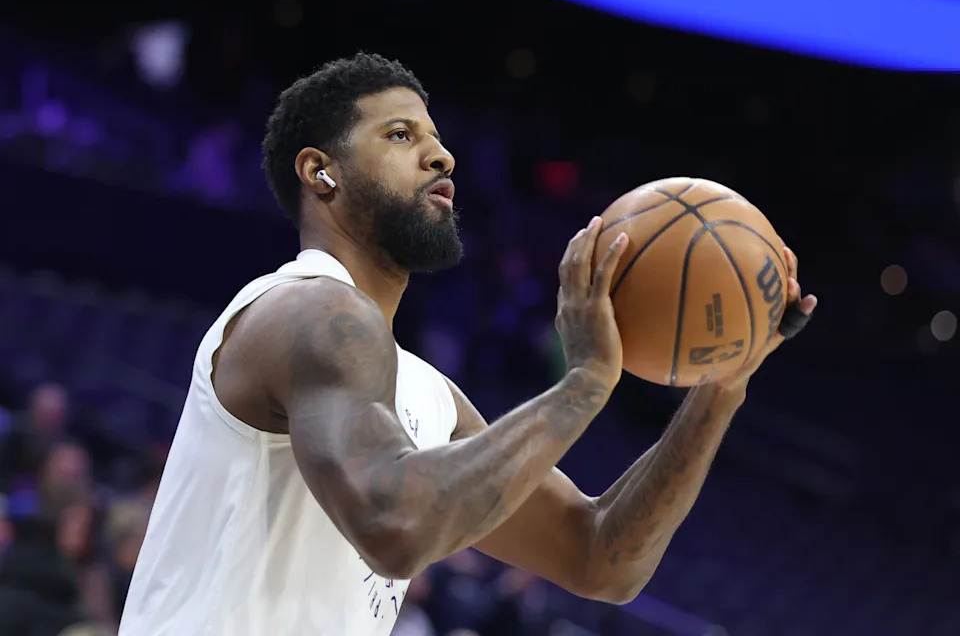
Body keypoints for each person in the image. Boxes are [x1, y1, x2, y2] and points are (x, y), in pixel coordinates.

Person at [118, 52, 817, 635]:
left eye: (436, 137)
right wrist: (582, 386)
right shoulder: (306, 310)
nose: (441, 154)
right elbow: (396, 528)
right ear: (320, 172)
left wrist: (721, 387)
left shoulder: (426, 393)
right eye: (400, 135)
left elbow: (600, 558)